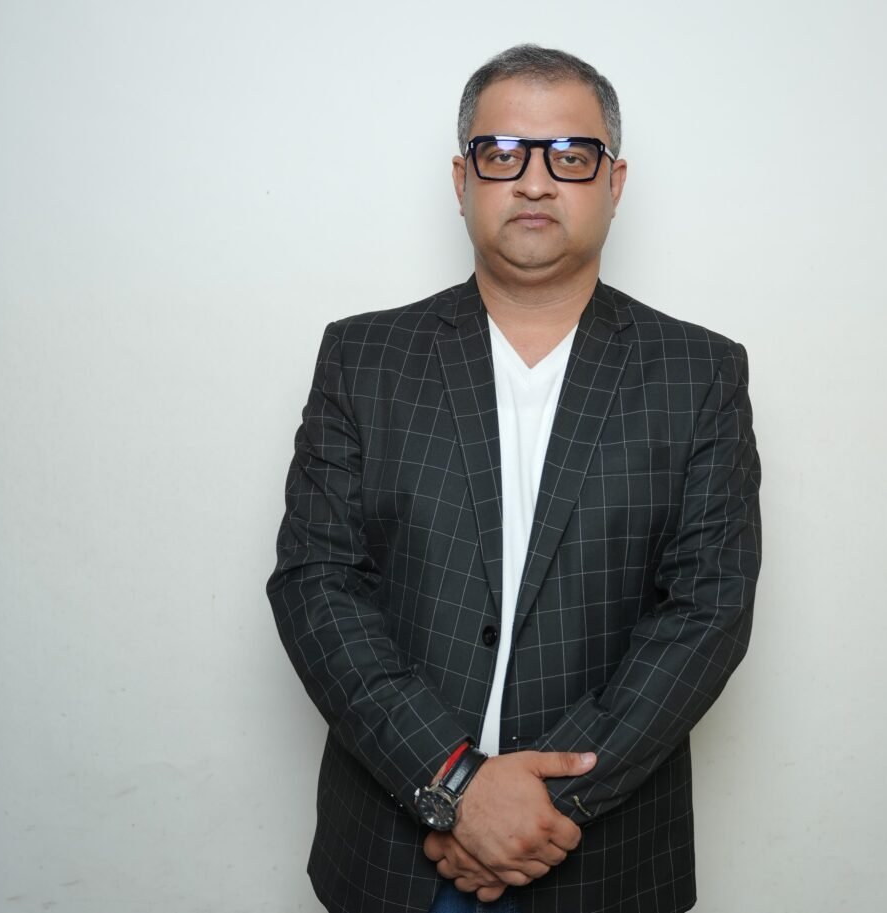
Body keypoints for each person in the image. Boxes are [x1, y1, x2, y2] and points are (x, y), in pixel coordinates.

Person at [267, 44, 761, 913]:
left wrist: (541, 806)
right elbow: (317, 586)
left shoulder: (700, 372)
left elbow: (705, 615)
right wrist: (455, 781)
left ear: (614, 183)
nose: (535, 182)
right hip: (395, 852)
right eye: (502, 154)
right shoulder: (363, 356)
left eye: (571, 155)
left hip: (602, 858)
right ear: (463, 179)